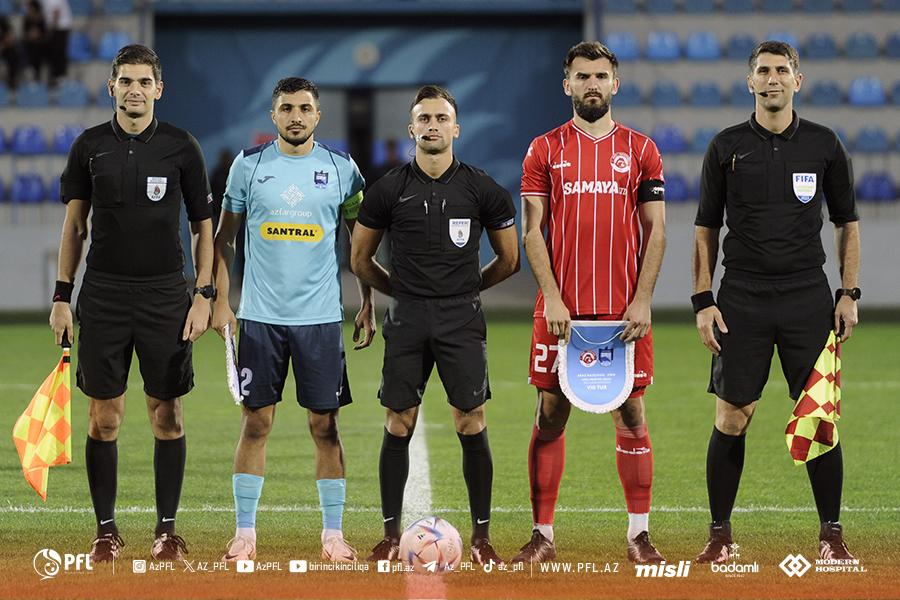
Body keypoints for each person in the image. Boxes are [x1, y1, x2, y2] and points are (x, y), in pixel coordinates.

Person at [692, 41, 860, 563]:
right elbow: (705, 229)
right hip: (741, 297)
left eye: (782, 70)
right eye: (763, 71)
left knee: (818, 418)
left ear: (797, 80)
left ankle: (831, 536)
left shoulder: (824, 144)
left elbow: (847, 224)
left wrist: (848, 293)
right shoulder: (726, 146)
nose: (772, 79)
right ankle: (720, 536)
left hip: (807, 297)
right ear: (750, 82)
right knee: (732, 417)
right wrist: (703, 299)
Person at [49, 44, 214, 562]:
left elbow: (202, 227)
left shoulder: (182, 147)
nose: (135, 90)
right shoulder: (89, 146)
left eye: (144, 81)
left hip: (166, 295)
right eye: (126, 81)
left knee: (168, 415)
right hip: (104, 294)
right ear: (112, 87)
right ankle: (106, 532)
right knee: (104, 418)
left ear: (159, 89)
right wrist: (61, 295)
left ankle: (166, 532)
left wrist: (203, 293)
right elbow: (75, 226)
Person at [351, 85, 519, 565]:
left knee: (471, 419)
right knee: (398, 420)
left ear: (455, 128)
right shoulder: (387, 189)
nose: (432, 126)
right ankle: (389, 536)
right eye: (424, 119)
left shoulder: (482, 189)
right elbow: (360, 259)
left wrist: (464, 290)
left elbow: (509, 260)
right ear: (411, 128)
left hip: (460, 318)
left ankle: (482, 538)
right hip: (406, 317)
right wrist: (402, 291)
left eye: (441, 118)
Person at [513, 41, 667, 564]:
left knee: (632, 413)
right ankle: (542, 536)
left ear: (615, 83)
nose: (592, 84)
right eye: (582, 77)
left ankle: (639, 536)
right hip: (561, 312)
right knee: (550, 413)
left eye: (601, 76)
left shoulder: (642, 150)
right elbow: (532, 231)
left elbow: (656, 230)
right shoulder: (544, 149)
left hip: (623, 313)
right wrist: (553, 299)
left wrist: (643, 300)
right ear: (567, 85)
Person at [212, 77, 375, 563]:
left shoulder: (342, 169)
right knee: (255, 423)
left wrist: (367, 301)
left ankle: (333, 536)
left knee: (325, 426)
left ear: (318, 115)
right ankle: (244, 533)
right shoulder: (248, 166)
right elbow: (223, 239)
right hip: (260, 318)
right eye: (287, 108)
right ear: (273, 115)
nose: (296, 116)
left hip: (320, 320)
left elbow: (360, 244)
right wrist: (220, 300)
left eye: (305, 108)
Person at [39, 0, 71, 86]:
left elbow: (56, 12)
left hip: (60, 27)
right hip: (54, 27)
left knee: (59, 53)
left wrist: (50, 28)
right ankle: (54, 77)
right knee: (52, 54)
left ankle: (60, 77)